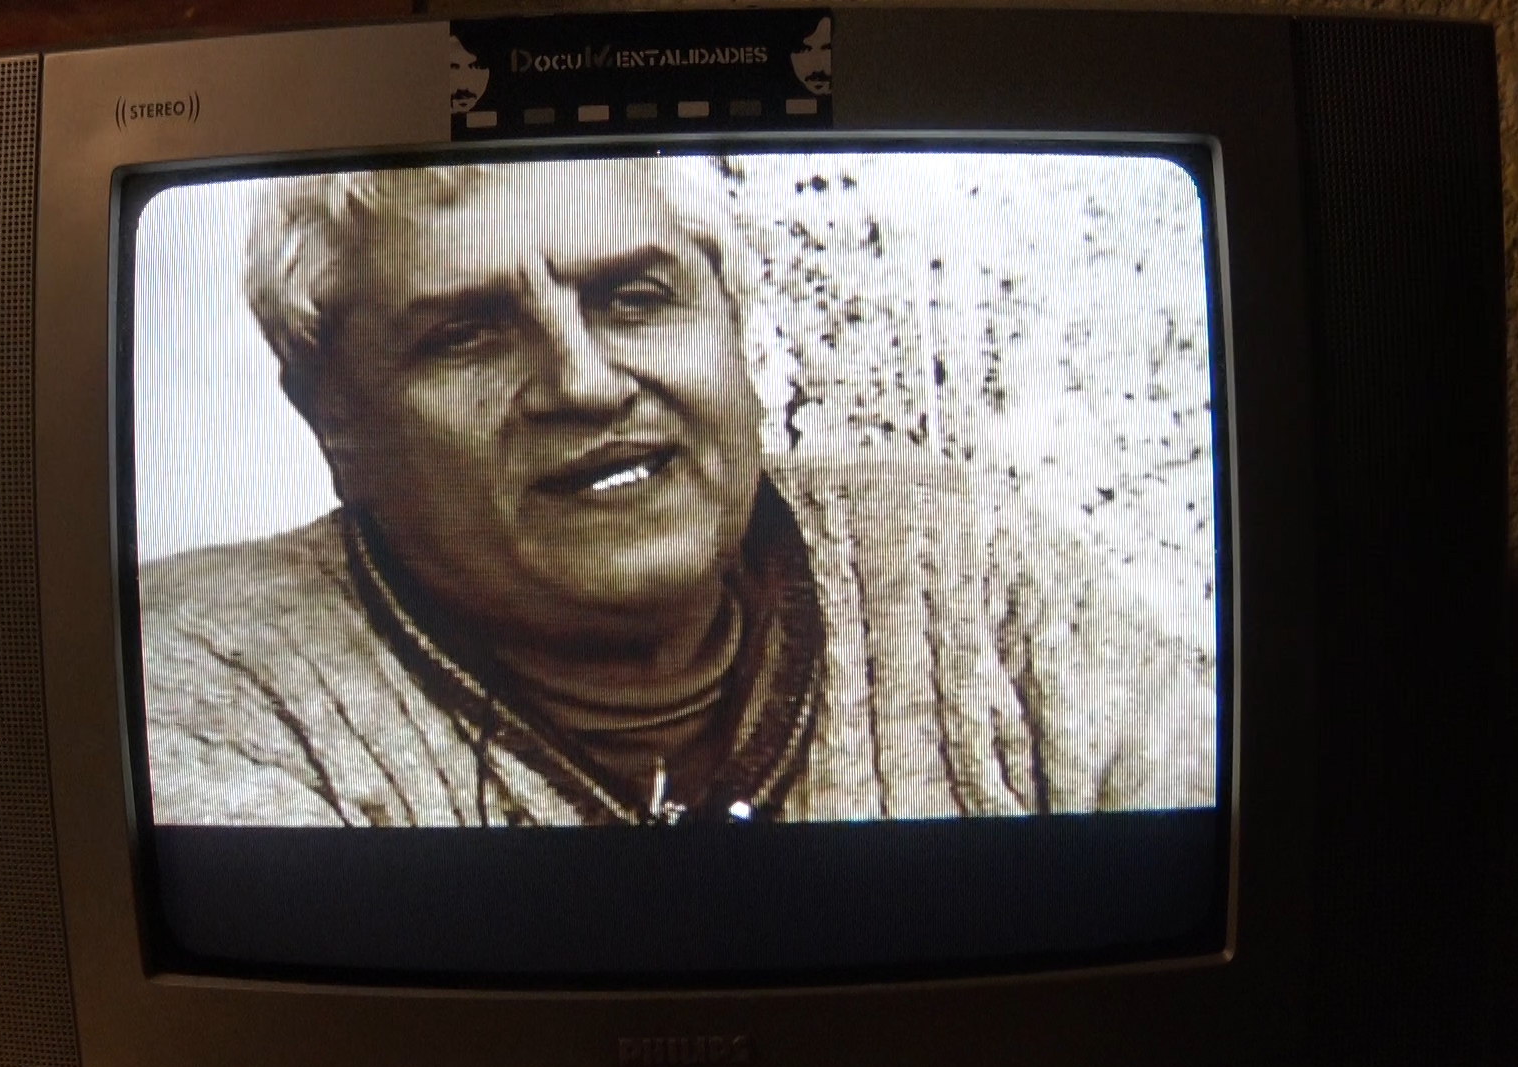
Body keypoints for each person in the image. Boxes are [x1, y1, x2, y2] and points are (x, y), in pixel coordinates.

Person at [141, 158, 1214, 827]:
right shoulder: (202, 673)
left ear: (733, 329)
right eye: (466, 335)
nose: (585, 382)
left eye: (633, 297)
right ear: (334, 418)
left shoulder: (961, 571)